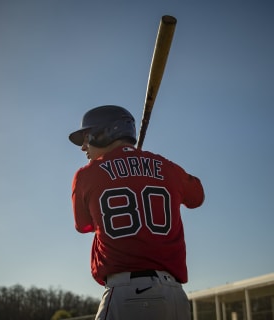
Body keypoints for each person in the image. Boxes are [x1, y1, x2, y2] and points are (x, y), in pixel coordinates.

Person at [68, 105, 204, 320]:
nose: (83, 147)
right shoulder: (167, 166)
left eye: (86, 137)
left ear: (104, 133)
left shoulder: (86, 175)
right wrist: (149, 167)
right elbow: (197, 197)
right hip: (175, 297)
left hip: (126, 293)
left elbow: (84, 225)